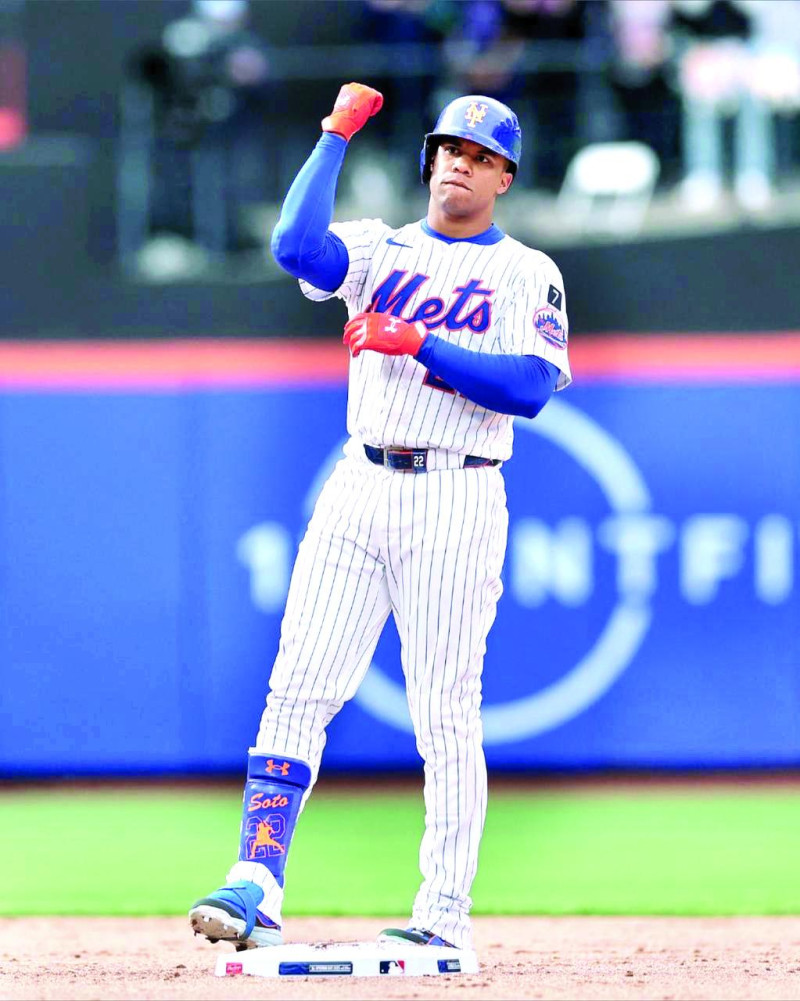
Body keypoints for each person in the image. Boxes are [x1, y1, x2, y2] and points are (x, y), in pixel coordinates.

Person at [188, 82, 572, 953]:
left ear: (505, 178)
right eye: (450, 150)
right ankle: (256, 881)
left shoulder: (527, 271)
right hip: (360, 480)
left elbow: (529, 387)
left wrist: (420, 342)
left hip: (457, 489)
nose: (460, 166)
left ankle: (443, 913)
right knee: (298, 686)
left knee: (444, 710)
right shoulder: (378, 248)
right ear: (429, 161)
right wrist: (334, 135)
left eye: (481, 157)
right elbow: (295, 246)